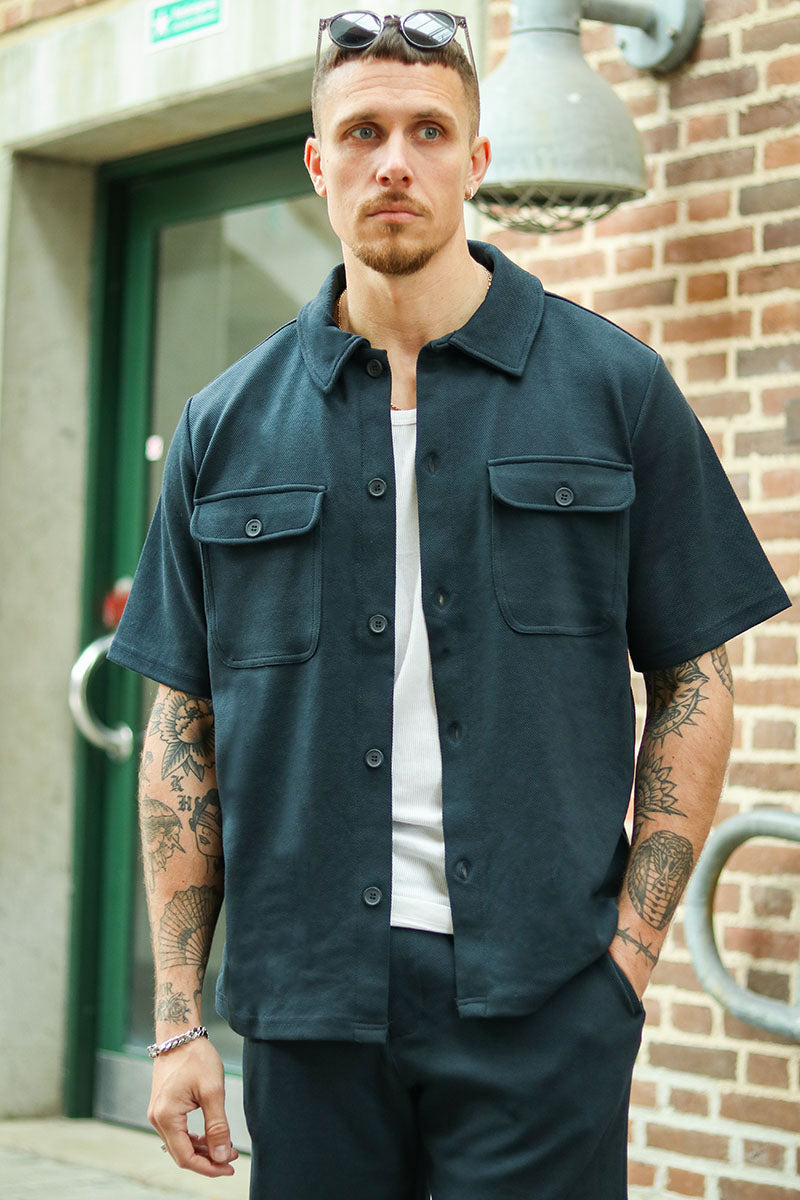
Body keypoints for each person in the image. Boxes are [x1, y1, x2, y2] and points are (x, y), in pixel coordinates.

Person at [108, 11, 791, 1199]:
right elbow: (181, 728)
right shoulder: (225, 427)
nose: (394, 162)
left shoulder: (613, 390)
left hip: (543, 1003)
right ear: (316, 163)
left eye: (427, 131)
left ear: (476, 161)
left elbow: (695, 680)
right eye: (361, 132)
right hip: (309, 1009)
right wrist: (176, 1024)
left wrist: (625, 966)